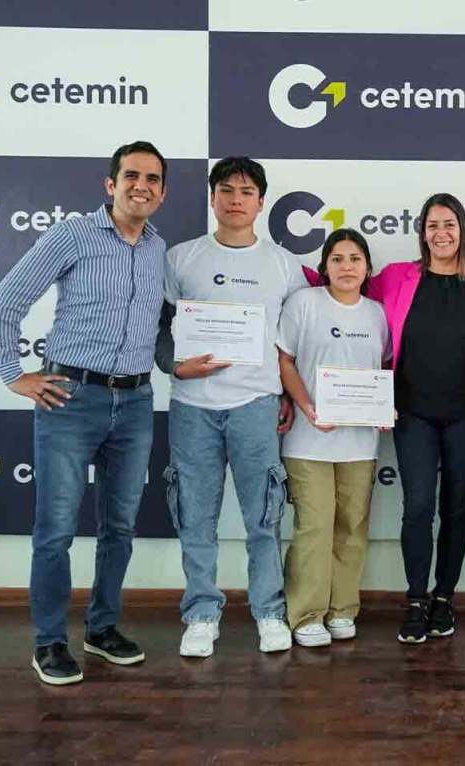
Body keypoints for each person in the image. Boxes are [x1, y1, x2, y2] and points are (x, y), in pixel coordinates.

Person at [0, 141, 168, 685]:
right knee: (57, 530)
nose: (142, 185)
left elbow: (159, 327)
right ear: (110, 185)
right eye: (131, 175)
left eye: (153, 179)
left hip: (136, 402)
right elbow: (7, 302)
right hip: (71, 398)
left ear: (162, 191)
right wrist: (12, 374)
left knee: (119, 527)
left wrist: (176, 366)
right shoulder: (74, 234)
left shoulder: (159, 248)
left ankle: (102, 628)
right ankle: (48, 642)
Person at [154, 157, 306, 657]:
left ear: (261, 202)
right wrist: (176, 367)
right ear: (212, 198)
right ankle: (201, 613)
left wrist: (286, 394)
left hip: (256, 405)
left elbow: (291, 343)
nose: (235, 199)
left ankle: (268, 611)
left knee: (264, 516)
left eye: (246, 191)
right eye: (226, 190)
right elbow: (157, 329)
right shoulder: (180, 258)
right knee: (195, 517)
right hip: (192, 406)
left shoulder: (284, 264)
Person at [367, 192, 465, 643]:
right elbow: (341, 285)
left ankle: (444, 597)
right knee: (418, 507)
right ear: (421, 232)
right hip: (413, 413)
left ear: (464, 229)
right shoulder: (395, 278)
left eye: (449, 224)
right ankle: (415, 599)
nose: (441, 233)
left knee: (457, 507)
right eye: (432, 226)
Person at [277, 228, 390, 647]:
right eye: (338, 258)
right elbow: (284, 361)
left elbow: (384, 370)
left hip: (360, 444)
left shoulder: (377, 314)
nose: (346, 266)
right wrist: (305, 406)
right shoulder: (304, 304)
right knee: (314, 526)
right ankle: (306, 613)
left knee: (352, 526)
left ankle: (343, 608)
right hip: (309, 441)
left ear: (367, 268)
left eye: (355, 259)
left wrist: (383, 408)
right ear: (324, 266)